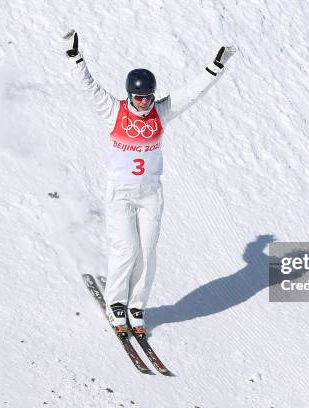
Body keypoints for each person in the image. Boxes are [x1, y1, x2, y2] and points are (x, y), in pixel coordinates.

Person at [62, 29, 236, 337]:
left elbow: (192, 92)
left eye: (148, 97)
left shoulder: (160, 112)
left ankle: (137, 305)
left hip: (151, 193)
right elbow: (88, 87)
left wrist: (216, 67)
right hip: (120, 193)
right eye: (139, 98)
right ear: (130, 94)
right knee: (126, 249)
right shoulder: (113, 111)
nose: (144, 103)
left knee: (147, 250)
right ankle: (116, 303)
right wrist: (75, 57)